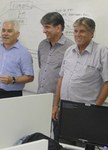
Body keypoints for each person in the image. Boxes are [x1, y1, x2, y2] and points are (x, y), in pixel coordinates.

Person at [52, 17, 108, 122]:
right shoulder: (69, 51)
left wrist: (96, 107)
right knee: (62, 138)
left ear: (92, 33)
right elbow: (61, 78)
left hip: (87, 111)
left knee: (81, 138)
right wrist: (55, 105)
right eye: (75, 31)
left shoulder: (101, 52)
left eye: (82, 31)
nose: (77, 35)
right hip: (65, 108)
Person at [0, 20, 34, 125]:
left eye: (9, 31)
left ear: (17, 34)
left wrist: (13, 80)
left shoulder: (23, 53)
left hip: (11, 96)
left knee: (9, 128)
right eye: (3, 30)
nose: (5, 34)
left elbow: (30, 77)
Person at [37, 12, 73, 141]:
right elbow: (43, 69)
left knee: (60, 140)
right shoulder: (42, 45)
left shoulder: (70, 48)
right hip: (41, 100)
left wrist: (56, 105)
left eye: (47, 27)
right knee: (40, 138)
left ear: (58, 28)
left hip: (59, 104)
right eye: (43, 27)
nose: (43, 31)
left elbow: (68, 77)